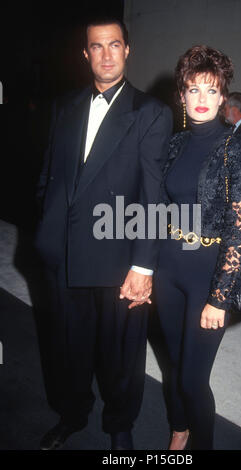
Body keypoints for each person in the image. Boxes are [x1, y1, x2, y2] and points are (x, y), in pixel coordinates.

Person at [34, 17, 172, 450]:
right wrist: (46, 229)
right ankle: (72, 414)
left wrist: (144, 265)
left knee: (121, 356)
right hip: (64, 256)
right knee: (69, 348)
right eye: (97, 46)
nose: (107, 54)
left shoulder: (151, 112)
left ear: (127, 50)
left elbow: (155, 195)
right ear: (86, 54)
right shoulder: (65, 106)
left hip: (119, 260)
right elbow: (49, 177)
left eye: (115, 44)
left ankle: (120, 427)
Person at [154, 45, 241, 450]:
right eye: (193, 89)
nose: (201, 99)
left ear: (223, 96)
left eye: (211, 90)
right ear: (181, 94)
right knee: (174, 364)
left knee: (193, 379)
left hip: (207, 277)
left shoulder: (240, 147)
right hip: (167, 269)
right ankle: (178, 426)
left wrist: (220, 296)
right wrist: (145, 269)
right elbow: (159, 209)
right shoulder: (176, 144)